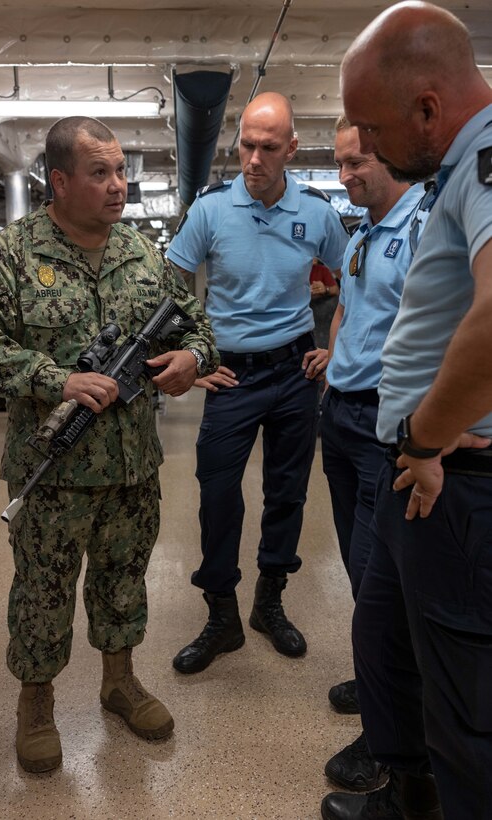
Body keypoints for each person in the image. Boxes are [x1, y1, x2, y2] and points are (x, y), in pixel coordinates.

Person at [0, 116, 218, 774]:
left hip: (131, 466)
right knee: (42, 592)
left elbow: (196, 324)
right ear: (60, 181)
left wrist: (191, 357)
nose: (119, 185)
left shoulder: (142, 255)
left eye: (122, 171)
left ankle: (118, 682)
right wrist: (54, 377)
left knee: (124, 584)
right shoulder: (9, 256)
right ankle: (35, 704)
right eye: (101, 173)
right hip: (53, 471)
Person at [321, 3, 492, 819]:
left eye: (371, 125)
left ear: (427, 107)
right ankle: (405, 793)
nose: (364, 146)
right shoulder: (454, 173)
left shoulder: (487, 157)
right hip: (413, 467)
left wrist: (423, 437)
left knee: (466, 707)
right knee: (386, 636)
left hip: (448, 474)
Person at [165, 92, 348, 674]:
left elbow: (358, 277)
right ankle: (221, 614)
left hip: (295, 371)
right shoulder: (211, 209)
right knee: (219, 496)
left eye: (269, 147)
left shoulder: (318, 213)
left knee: (287, 492)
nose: (254, 158)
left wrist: (333, 348)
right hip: (231, 375)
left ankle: (269, 603)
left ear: (291, 148)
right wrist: (190, 356)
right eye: (246, 144)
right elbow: (169, 287)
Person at [321, 115, 427, 800]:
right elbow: (347, 309)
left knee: (381, 597)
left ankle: (393, 740)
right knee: (365, 579)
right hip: (342, 417)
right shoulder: (362, 233)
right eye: (339, 162)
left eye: (356, 162)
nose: (345, 175)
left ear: (389, 156)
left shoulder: (424, 228)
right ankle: (380, 688)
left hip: (390, 431)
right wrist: (334, 356)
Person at [310, 258, 340, 351]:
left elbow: (336, 290)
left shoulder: (321, 269)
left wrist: (325, 289)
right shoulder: (296, 274)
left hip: (324, 316)